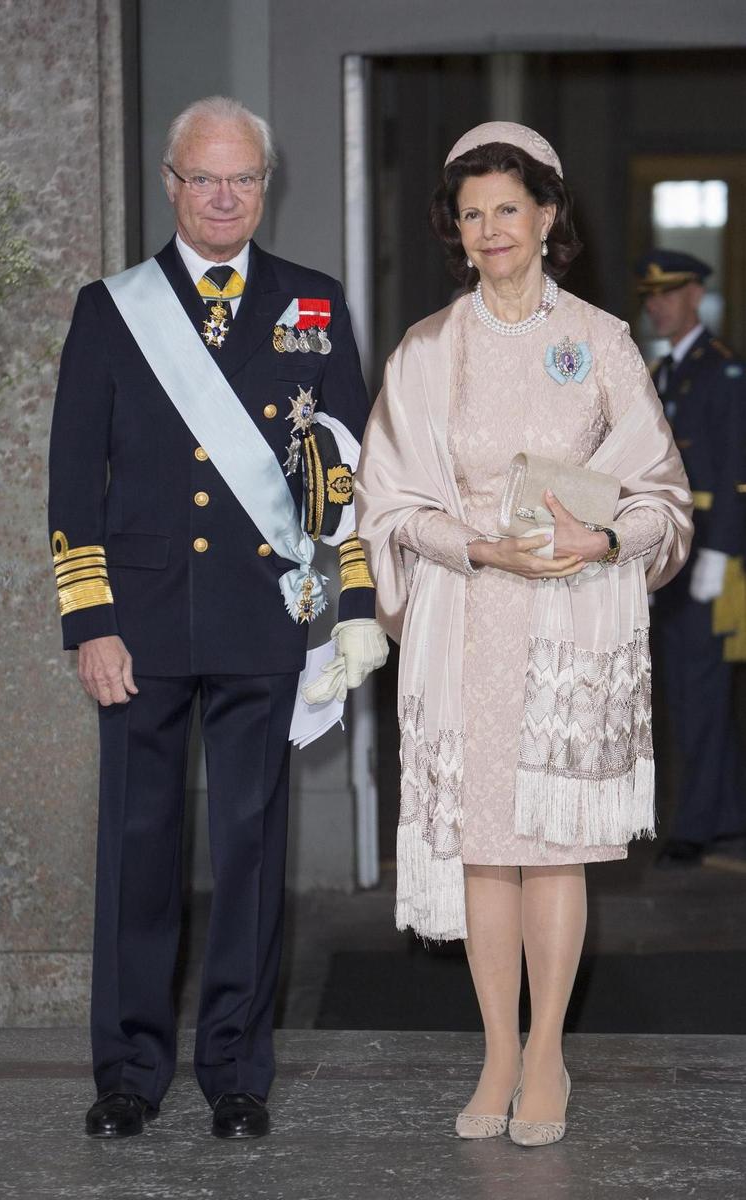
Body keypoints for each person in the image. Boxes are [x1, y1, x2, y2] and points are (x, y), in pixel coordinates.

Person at [48, 95, 387, 1141]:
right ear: (170, 183)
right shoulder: (112, 310)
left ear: (264, 185)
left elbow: (344, 480)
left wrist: (348, 614)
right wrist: (88, 620)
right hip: (140, 624)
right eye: (205, 177)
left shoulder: (314, 306)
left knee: (249, 852)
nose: (225, 195)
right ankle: (128, 1074)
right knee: (137, 851)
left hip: (261, 620)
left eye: (243, 177)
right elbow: (71, 479)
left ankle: (237, 1072)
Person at [356, 122, 692, 1147]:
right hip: (467, 618)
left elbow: (663, 499)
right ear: (454, 233)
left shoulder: (598, 340)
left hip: (569, 622)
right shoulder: (428, 348)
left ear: (547, 217)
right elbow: (385, 508)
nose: (491, 230)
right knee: (483, 854)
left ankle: (547, 1049)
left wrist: (603, 536)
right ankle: (495, 1047)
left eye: (509, 209)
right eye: (472, 215)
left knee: (553, 852)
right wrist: (470, 548)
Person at [636, 250, 746, 868]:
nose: (656, 303)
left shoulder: (723, 371)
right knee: (686, 688)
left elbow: (736, 472)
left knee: (700, 693)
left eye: (669, 293)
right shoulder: (665, 370)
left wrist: (722, 552)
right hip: (673, 548)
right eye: (650, 294)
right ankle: (726, 810)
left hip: (708, 553)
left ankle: (697, 823)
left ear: (696, 295)